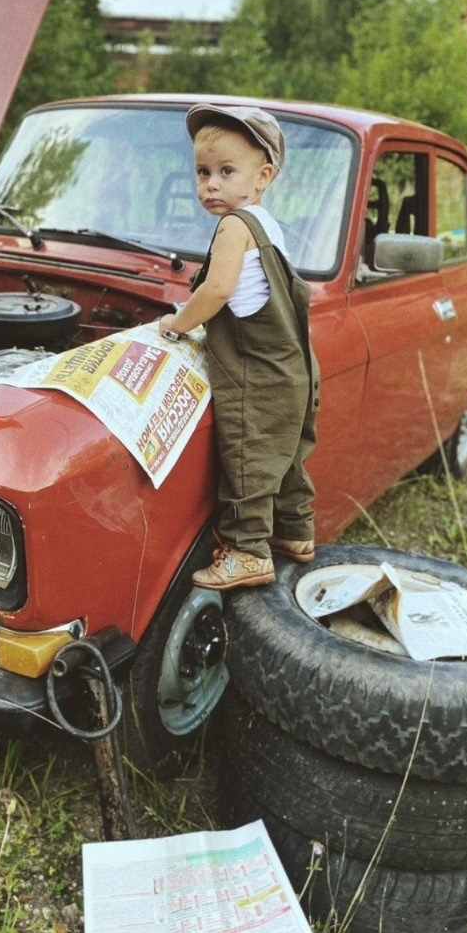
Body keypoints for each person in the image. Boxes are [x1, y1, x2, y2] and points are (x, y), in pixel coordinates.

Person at [158, 104, 320, 591]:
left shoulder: (234, 226)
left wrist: (176, 324)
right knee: (288, 458)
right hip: (293, 369)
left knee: (248, 459)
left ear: (263, 175)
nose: (211, 184)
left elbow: (216, 291)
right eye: (203, 172)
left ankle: (248, 551)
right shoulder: (268, 226)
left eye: (227, 171)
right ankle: (296, 535)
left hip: (257, 371)